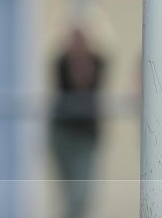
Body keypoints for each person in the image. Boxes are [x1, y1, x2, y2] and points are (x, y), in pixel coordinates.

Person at [49, 26, 105, 218]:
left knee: (81, 194)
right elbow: (68, 85)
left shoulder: (98, 62)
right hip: (63, 133)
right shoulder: (61, 62)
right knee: (69, 193)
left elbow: (90, 84)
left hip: (86, 135)